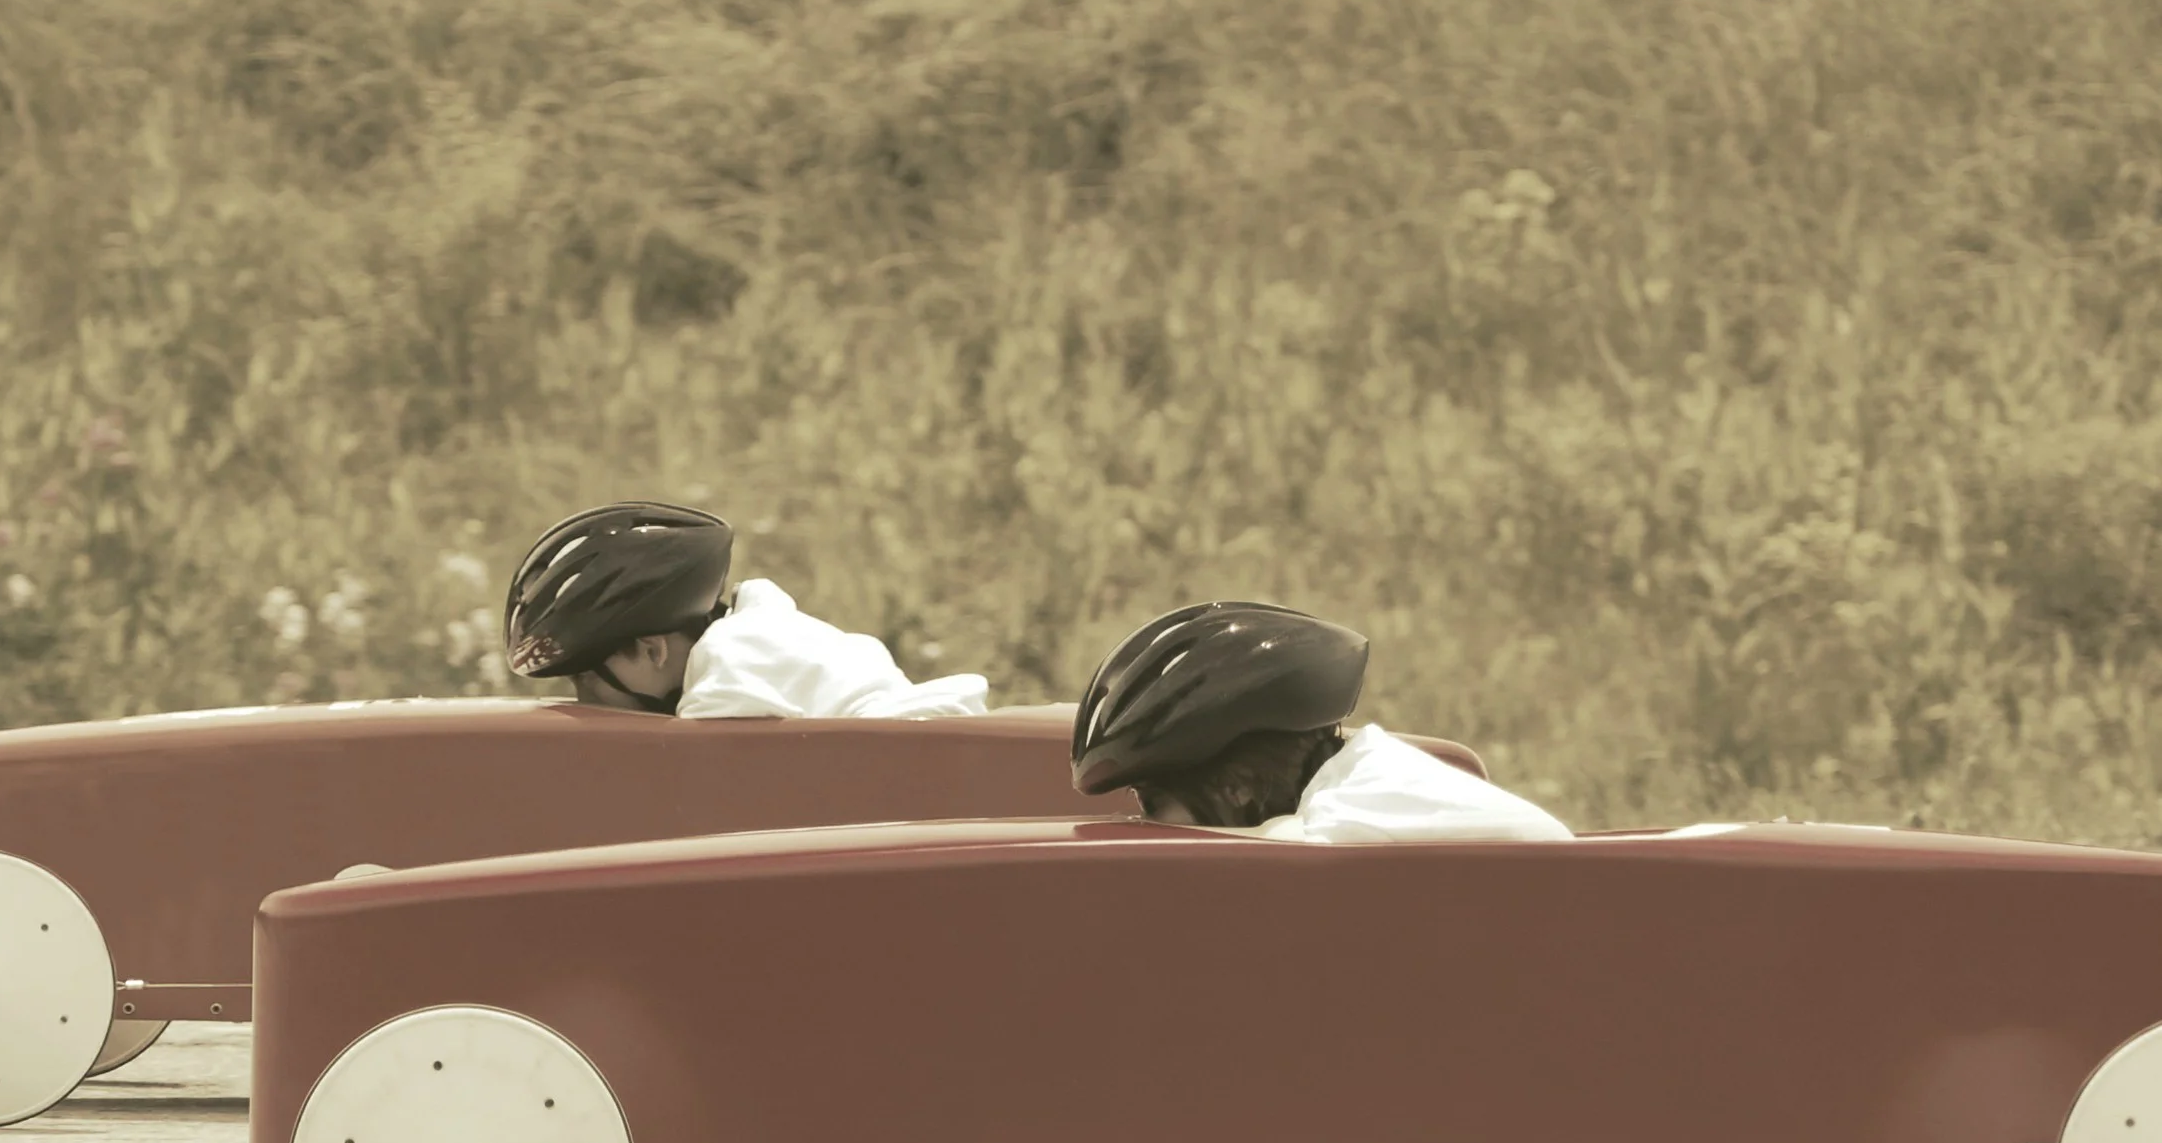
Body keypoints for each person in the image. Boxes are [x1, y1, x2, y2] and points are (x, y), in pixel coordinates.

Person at [1070, 600, 1575, 842]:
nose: (1146, 826)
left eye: (1153, 803)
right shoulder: (1374, 782)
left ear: (1238, 787)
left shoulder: (1349, 822)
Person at [503, 501, 990, 719]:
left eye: (589, 682)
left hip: (918, 775)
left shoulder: (727, 678)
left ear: (652, 651)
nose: (585, 702)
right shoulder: (756, 633)